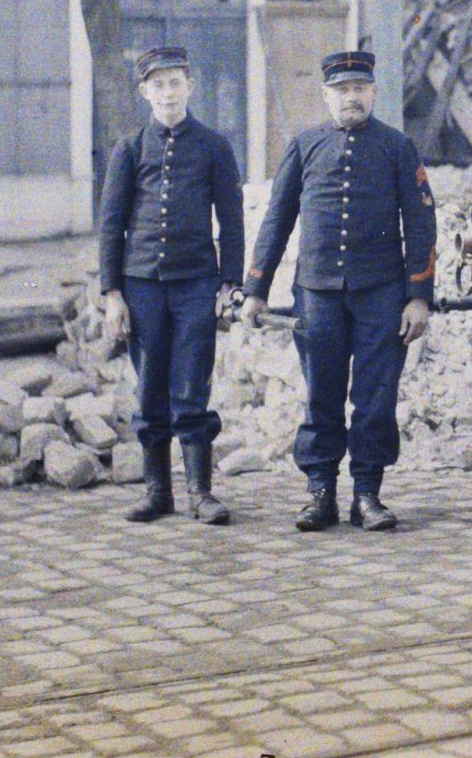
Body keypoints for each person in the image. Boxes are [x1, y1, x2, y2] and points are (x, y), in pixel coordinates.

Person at [240, 50, 436, 532]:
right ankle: (320, 493)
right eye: (342, 90)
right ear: (327, 95)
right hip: (318, 293)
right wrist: (255, 289)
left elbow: (420, 223)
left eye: (359, 89)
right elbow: (277, 220)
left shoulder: (397, 147)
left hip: (382, 295)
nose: (351, 97)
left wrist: (418, 296)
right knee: (321, 394)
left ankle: (367, 495)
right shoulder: (305, 146)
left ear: (373, 92)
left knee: (375, 397)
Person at [98, 45, 245, 525]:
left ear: (190, 86)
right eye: (157, 85)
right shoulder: (130, 148)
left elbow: (232, 222)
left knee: (191, 388)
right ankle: (157, 492)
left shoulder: (213, 147)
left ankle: (200, 494)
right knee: (150, 391)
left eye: (174, 82)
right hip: (142, 289)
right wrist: (112, 293)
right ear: (145, 92)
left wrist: (229, 284)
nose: (167, 92)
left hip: (195, 287)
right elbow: (111, 224)